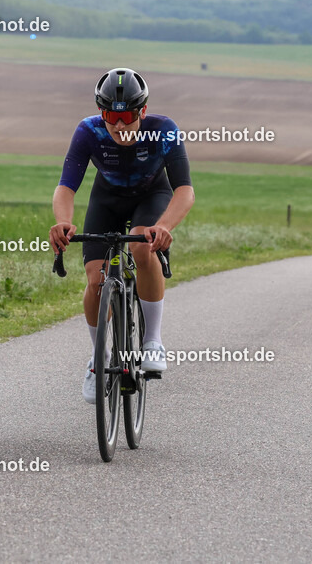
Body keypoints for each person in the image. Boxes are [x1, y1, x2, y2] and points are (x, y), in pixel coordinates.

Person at [48, 68, 195, 404]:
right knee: (96, 280)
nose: (119, 125)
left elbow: (185, 191)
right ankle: (98, 357)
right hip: (108, 198)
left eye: (127, 116)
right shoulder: (88, 131)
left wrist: (165, 227)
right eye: (110, 116)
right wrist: (64, 221)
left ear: (142, 112)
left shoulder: (164, 130)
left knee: (143, 249)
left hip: (151, 197)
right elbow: (66, 185)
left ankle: (152, 341)